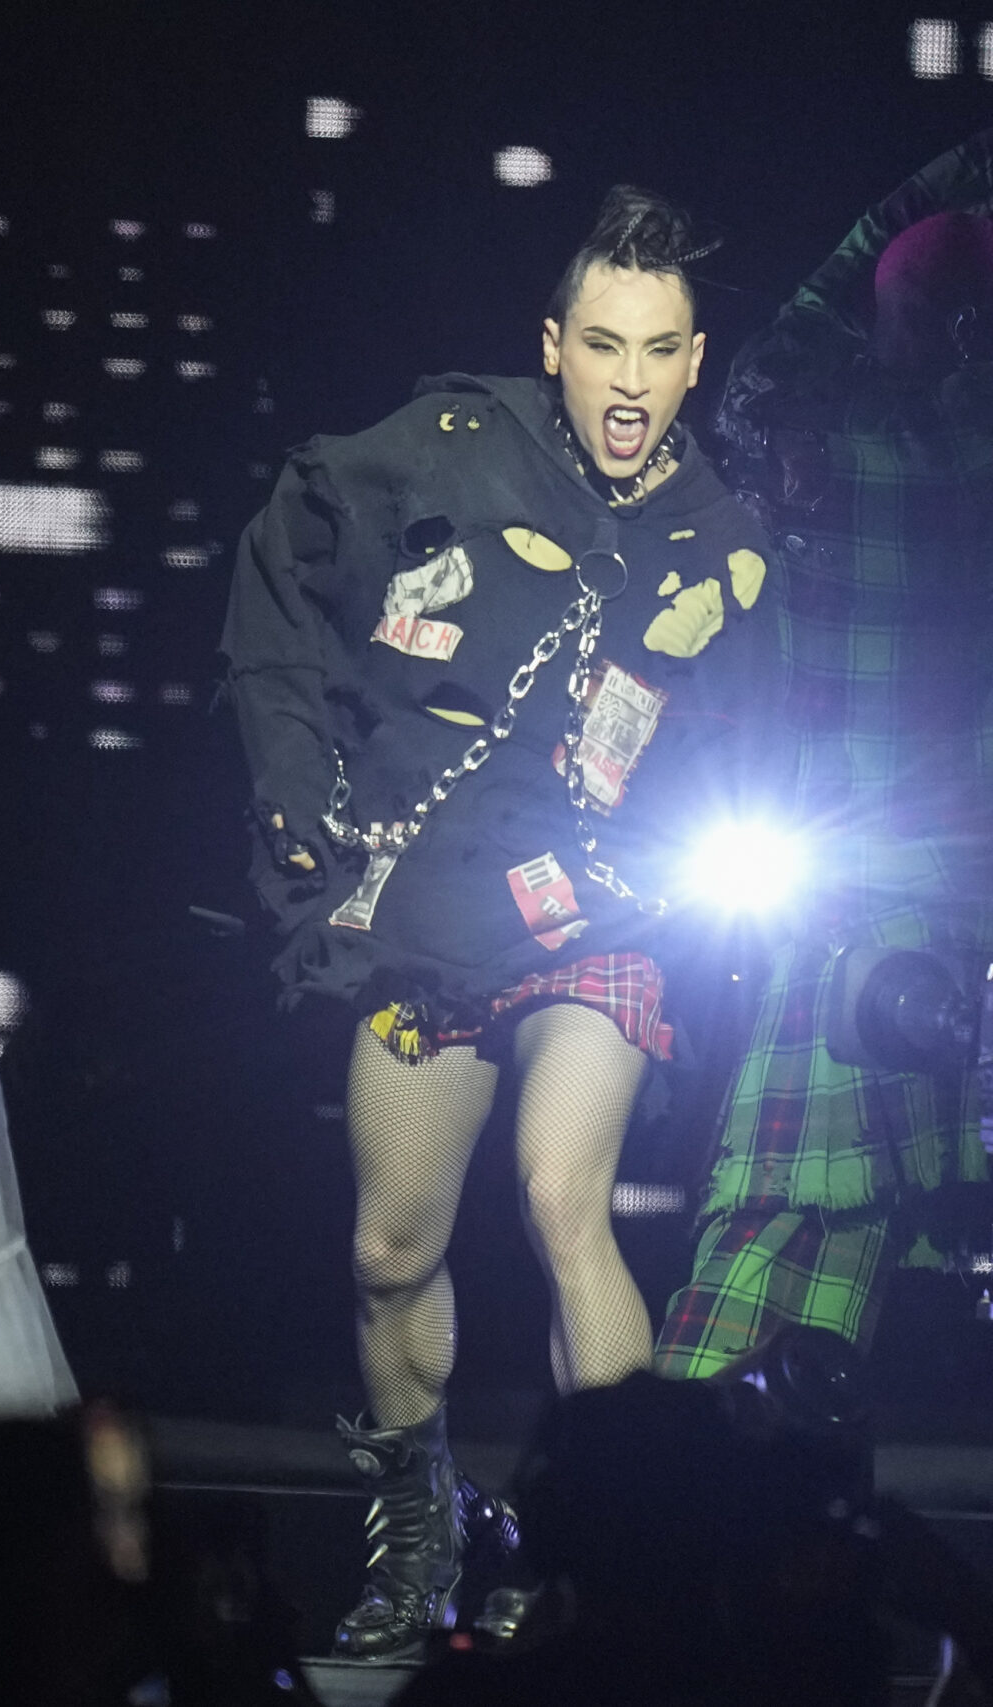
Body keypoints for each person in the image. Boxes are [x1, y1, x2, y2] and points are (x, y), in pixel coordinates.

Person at [221, 186, 770, 1659]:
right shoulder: (451, 443)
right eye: (605, 345)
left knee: (557, 1194)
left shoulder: (723, 543)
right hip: (434, 898)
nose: (633, 382)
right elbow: (289, 550)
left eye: (660, 349)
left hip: (612, 902)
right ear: (555, 346)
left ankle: (622, 1560)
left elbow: (763, 736)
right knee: (390, 1250)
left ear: (697, 359)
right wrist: (294, 780)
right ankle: (421, 1536)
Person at [654, 136, 992, 1380]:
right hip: (954, 890)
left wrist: (933, 183)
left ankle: (685, 1522)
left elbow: (782, 347)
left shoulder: (816, 447)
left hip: (867, 911)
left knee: (781, 1248)